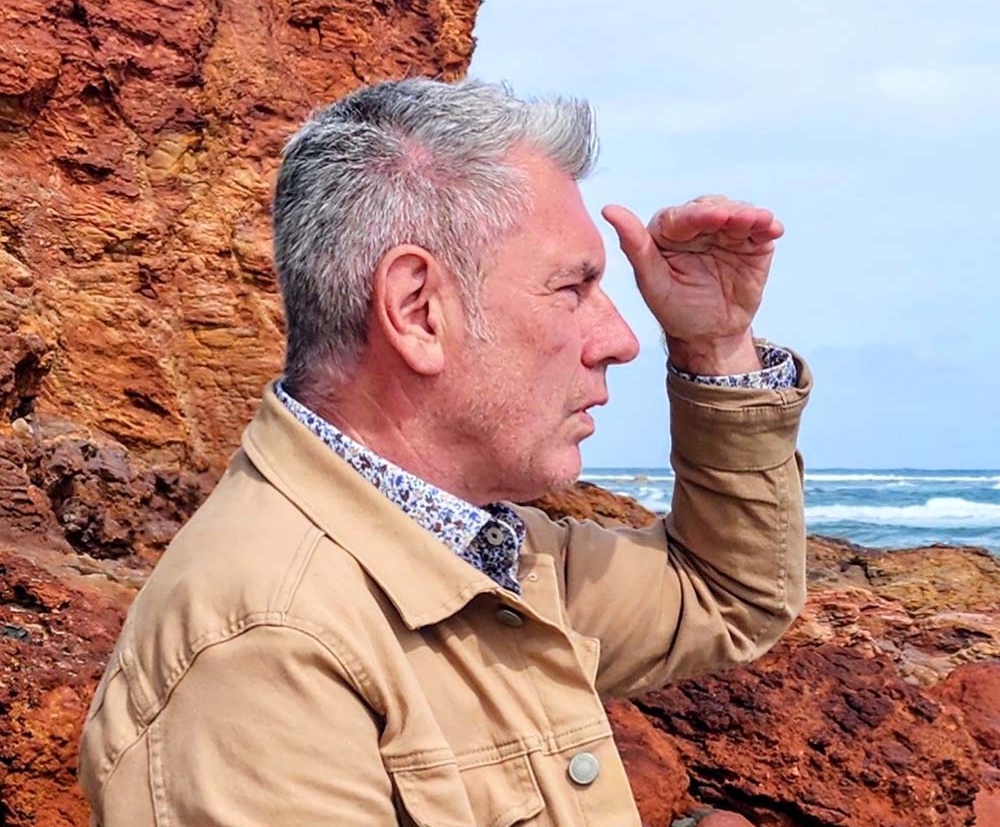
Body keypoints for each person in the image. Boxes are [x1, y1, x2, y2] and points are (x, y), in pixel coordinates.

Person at [79, 79, 810, 826]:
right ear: (418, 310)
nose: (622, 340)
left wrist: (715, 344)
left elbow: (724, 593)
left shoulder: (478, 545)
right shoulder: (266, 646)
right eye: (573, 287)